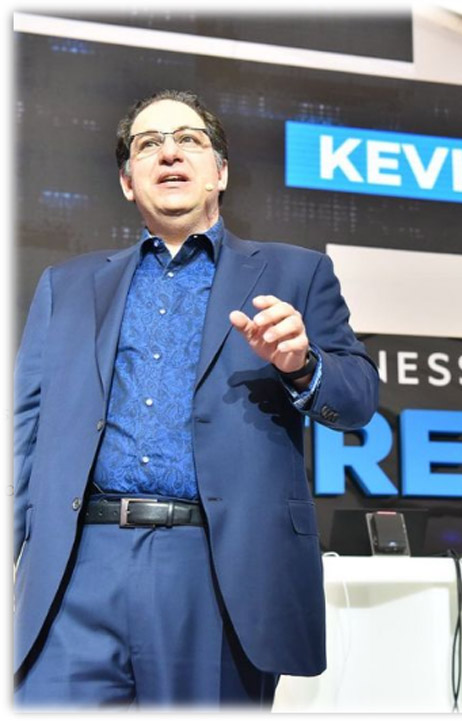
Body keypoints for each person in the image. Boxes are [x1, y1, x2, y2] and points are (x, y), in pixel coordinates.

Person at [13, 89, 379, 707]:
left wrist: (301, 364)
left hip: (217, 570)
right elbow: (24, 432)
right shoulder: (66, 286)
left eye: (189, 140)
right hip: (76, 569)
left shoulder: (296, 273)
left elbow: (359, 399)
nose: (169, 153)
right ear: (128, 182)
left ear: (221, 172)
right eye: (148, 144)